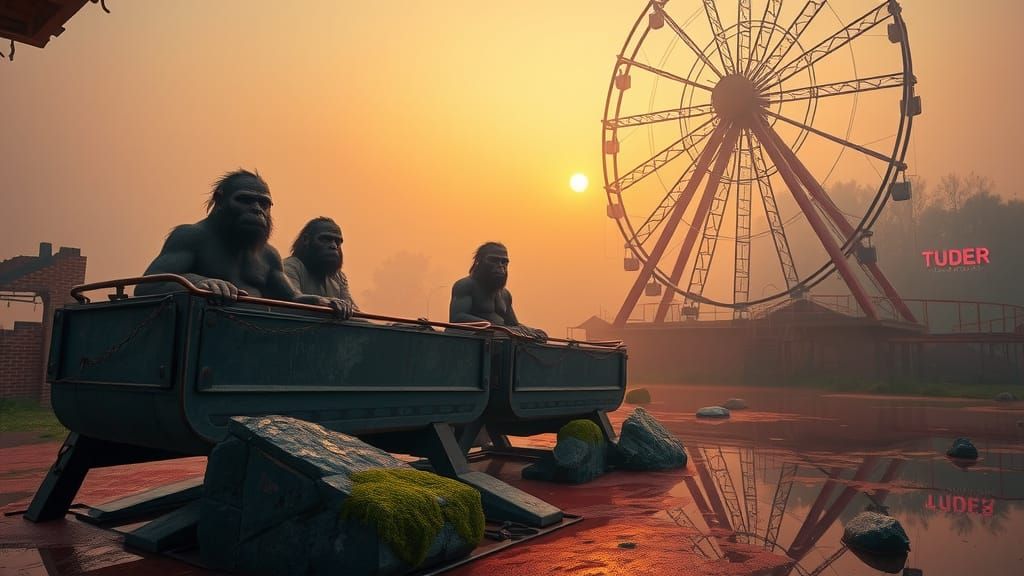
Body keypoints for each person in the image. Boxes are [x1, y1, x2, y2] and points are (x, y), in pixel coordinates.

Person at [134, 169, 353, 319]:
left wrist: (324, 303)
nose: (257, 209)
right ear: (219, 201)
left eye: (264, 204)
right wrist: (194, 282)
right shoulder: (192, 236)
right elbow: (146, 287)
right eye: (246, 200)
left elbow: (293, 298)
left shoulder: (268, 256)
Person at [449, 242, 547, 341]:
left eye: (504, 262)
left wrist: (530, 332)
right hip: (471, 341)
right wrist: (495, 327)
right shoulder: (466, 285)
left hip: (500, 339)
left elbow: (513, 324)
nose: (500, 266)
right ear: (479, 261)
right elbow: (457, 317)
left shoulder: (505, 294)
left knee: (540, 334)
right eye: (494, 260)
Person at [283, 217, 356, 319]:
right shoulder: (290, 267)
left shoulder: (338, 277)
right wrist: (323, 301)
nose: (333, 246)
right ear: (306, 240)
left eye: (337, 242)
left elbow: (353, 313)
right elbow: (292, 297)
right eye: (326, 239)